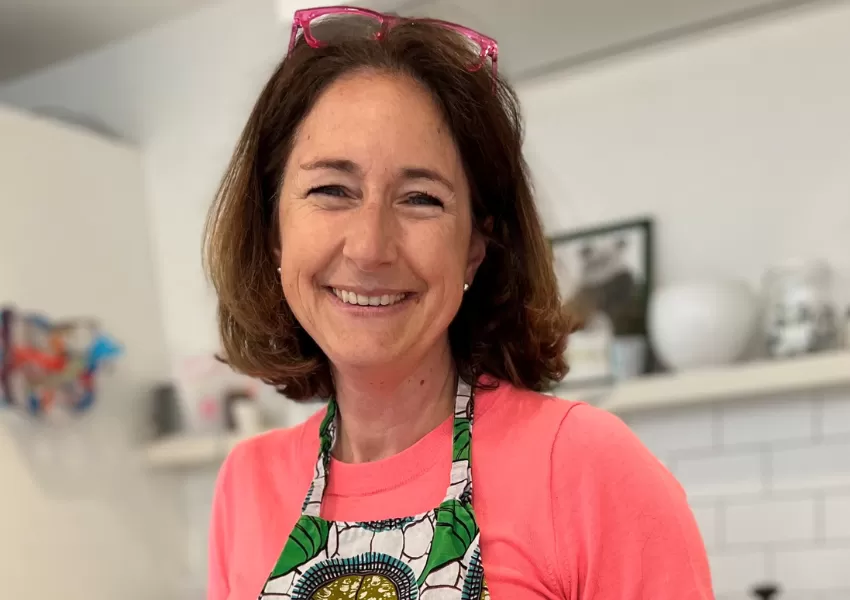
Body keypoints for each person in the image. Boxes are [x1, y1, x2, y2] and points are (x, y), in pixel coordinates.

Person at [204, 6, 713, 599]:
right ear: (273, 235)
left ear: (475, 246)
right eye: (331, 190)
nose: (370, 247)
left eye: (421, 198)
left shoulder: (582, 466)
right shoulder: (246, 485)